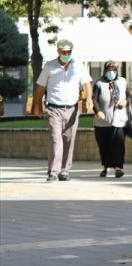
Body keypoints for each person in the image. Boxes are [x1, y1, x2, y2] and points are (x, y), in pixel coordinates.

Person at [29, 39, 93, 182]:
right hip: (54, 108)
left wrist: (89, 99)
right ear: (58, 51)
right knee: (55, 139)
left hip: (72, 108)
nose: (66, 54)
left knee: (69, 139)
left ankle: (64, 171)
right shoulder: (49, 66)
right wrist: (37, 105)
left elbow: (87, 83)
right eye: (64, 52)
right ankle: (53, 171)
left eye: (69, 52)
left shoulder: (78, 65)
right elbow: (40, 88)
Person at [92, 60, 130, 178]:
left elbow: (128, 96)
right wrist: (98, 111)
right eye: (109, 70)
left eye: (113, 70)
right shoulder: (99, 83)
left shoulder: (122, 81)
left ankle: (118, 168)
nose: (111, 72)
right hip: (103, 122)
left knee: (119, 145)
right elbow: (94, 100)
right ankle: (106, 166)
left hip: (119, 120)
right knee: (104, 145)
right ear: (105, 70)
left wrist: (126, 102)